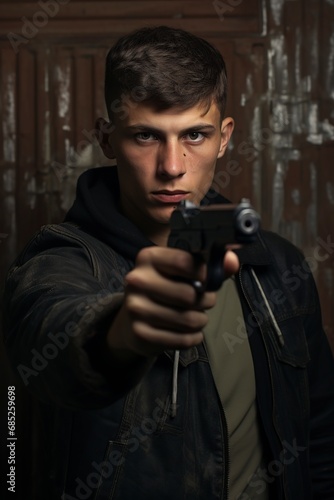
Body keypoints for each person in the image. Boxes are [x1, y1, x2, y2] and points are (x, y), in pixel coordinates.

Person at [2, 26, 334, 500]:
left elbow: (318, 431)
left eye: (195, 135)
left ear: (224, 138)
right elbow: (49, 324)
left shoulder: (276, 264)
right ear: (107, 138)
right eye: (145, 136)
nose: (172, 166)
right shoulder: (60, 258)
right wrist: (118, 332)